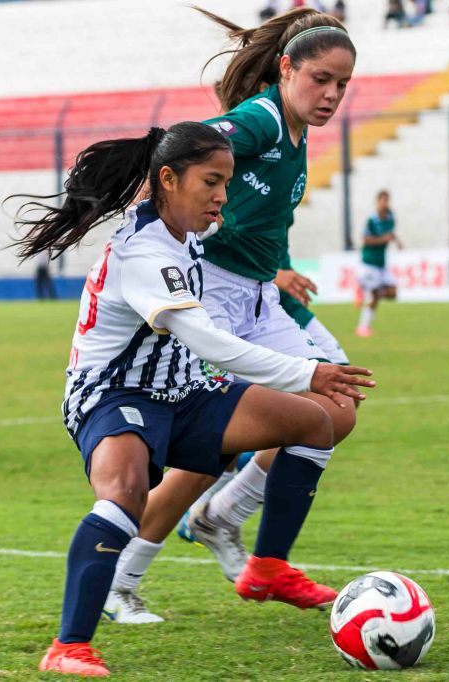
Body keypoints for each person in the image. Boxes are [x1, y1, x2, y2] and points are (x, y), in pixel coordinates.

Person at [14, 121, 374, 676]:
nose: (222, 196)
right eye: (211, 181)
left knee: (314, 425)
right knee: (125, 493)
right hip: (113, 394)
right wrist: (308, 371)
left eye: (226, 183)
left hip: (183, 392)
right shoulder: (143, 254)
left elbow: (223, 265)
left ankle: (269, 565)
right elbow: (208, 342)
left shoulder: (183, 232)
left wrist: (273, 275)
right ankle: (69, 646)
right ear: (168, 179)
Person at [101, 7, 358, 624]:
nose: (331, 95)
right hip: (209, 297)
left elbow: (254, 217)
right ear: (287, 67)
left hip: (256, 298)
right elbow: (190, 149)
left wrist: (274, 270)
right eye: (320, 78)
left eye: (342, 85)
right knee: (201, 456)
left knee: (336, 410)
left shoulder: (294, 134)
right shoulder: (263, 120)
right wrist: (145, 221)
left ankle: (243, 538)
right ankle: (119, 579)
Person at [357, 190, 402, 337]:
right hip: (369, 262)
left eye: (386, 200)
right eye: (382, 200)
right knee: (375, 295)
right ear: (377, 202)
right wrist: (383, 240)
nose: (384, 203)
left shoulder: (390, 217)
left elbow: (391, 233)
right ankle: (362, 328)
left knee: (393, 292)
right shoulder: (372, 220)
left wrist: (398, 242)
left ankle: (364, 289)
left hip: (381, 264)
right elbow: (365, 240)